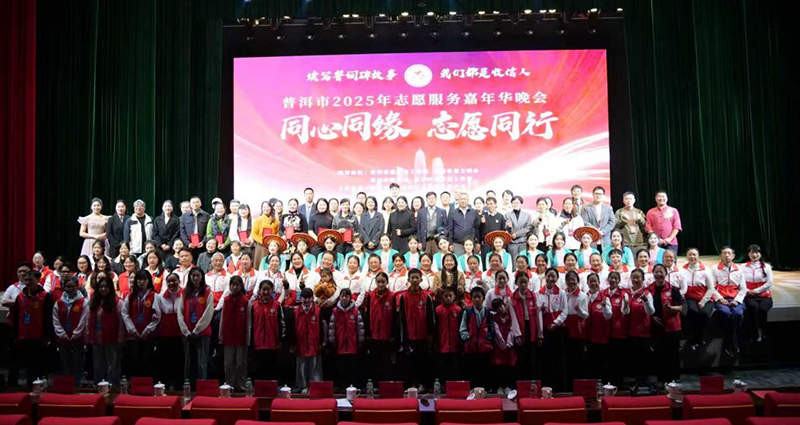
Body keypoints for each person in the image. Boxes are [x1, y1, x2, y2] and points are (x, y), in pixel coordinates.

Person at [10, 270, 54, 385]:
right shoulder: (20, 297)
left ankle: (35, 387)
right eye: (26, 280)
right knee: (18, 363)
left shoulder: (45, 297)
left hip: (38, 336)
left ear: (38, 280)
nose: (28, 282)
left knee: (36, 367)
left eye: (31, 280)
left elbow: (49, 318)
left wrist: (47, 336)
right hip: (22, 335)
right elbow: (15, 317)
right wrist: (15, 335)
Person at [398, 269, 435, 390]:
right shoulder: (403, 297)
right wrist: (403, 338)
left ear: (421, 280)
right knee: (410, 361)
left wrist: (430, 335)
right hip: (409, 336)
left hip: (423, 336)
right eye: (412, 278)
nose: (414, 280)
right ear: (408, 280)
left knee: (423, 361)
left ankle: (423, 384)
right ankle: (412, 385)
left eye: (416, 278)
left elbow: (431, 317)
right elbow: (401, 318)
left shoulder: (427, 296)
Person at [122, 269, 161, 377]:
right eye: (139, 280)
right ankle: (134, 383)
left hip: (148, 335)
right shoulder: (131, 296)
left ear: (148, 281)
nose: (141, 282)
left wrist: (147, 331)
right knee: (134, 361)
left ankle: (146, 383)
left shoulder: (154, 296)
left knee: (147, 360)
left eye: (144, 279)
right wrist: (133, 330)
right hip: (133, 335)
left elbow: (157, 315)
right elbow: (125, 314)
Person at [178, 267, 214, 380]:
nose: (195, 278)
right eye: (193, 276)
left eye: (198, 275)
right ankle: (189, 386)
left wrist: (197, 330)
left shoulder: (207, 292)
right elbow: (180, 312)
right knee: (188, 362)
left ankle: (202, 386)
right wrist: (186, 331)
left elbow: (208, 313)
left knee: (202, 363)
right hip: (187, 333)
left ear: (202, 277)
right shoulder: (185, 293)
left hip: (203, 332)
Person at [675, 247, 715, 350]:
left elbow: (711, 288)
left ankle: (699, 337)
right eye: (690, 254)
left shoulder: (706, 270)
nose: (692, 257)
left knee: (704, 314)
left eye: (694, 255)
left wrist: (703, 301)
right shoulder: (681, 270)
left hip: (705, 298)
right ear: (686, 256)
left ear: (698, 256)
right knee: (693, 312)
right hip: (690, 298)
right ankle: (694, 338)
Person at [649, 264, 683, 383]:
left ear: (666, 274)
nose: (658, 274)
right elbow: (646, 308)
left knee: (672, 354)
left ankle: (674, 379)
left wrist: (671, 308)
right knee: (659, 353)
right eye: (656, 272)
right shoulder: (649, 290)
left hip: (672, 327)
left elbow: (681, 307)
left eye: (661, 272)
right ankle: (661, 380)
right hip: (656, 327)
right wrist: (652, 317)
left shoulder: (673, 289)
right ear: (653, 273)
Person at [247, 278, 285, 381]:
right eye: (264, 289)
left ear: (272, 291)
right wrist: (250, 342)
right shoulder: (254, 306)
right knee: (258, 372)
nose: (266, 292)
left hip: (272, 344)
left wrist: (280, 340)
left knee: (271, 371)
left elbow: (281, 324)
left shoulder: (277, 305)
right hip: (258, 344)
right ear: (259, 291)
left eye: (268, 290)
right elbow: (250, 325)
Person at [361, 271, 396, 382]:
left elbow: (395, 317)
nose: (381, 284)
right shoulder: (370, 296)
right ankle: (375, 384)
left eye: (383, 282)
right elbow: (367, 315)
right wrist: (368, 333)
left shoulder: (392, 296)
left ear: (387, 282)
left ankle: (387, 384)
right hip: (374, 334)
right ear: (375, 282)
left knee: (386, 361)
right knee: (375, 361)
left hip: (387, 335)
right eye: (378, 282)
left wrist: (393, 334)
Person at [711, 247, 747, 356]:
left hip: (735, 298)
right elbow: (711, 287)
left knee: (738, 314)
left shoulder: (739, 269)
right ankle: (729, 342)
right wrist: (720, 298)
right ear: (721, 256)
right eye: (724, 253)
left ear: (733, 256)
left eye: (729, 253)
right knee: (725, 313)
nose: (726, 255)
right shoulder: (714, 268)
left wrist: (737, 300)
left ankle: (731, 341)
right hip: (721, 297)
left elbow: (743, 288)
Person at [538, 267, 569, 391]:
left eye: (553, 276)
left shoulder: (561, 293)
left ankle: (559, 388)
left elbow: (565, 310)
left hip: (558, 330)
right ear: (545, 277)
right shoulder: (539, 293)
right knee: (546, 359)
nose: (550, 279)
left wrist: (556, 323)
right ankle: (546, 386)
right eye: (548, 276)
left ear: (557, 278)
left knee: (558, 358)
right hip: (545, 332)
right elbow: (537, 313)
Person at [53, 277, 89, 382]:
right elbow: (55, 320)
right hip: (63, 339)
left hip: (78, 338)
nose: (70, 289)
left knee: (77, 363)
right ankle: (67, 385)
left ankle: (77, 384)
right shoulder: (58, 303)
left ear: (77, 287)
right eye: (67, 286)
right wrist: (62, 334)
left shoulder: (83, 302)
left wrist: (76, 334)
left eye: (73, 286)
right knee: (65, 364)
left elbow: (84, 319)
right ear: (64, 288)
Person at [89, 276, 124, 385]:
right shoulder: (94, 301)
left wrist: (120, 337)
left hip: (112, 338)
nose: (103, 289)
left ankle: (113, 386)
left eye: (106, 286)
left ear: (110, 288)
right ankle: (98, 385)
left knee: (112, 364)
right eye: (101, 287)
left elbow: (121, 321)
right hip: (96, 337)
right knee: (98, 364)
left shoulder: (117, 302)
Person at [327, 288, 365, 389]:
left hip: (352, 344)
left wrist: (360, 340)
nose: (344, 298)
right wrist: (332, 340)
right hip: (340, 344)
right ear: (339, 297)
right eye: (342, 296)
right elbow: (331, 327)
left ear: (350, 297)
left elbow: (360, 327)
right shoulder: (335, 311)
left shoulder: (355, 311)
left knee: (353, 367)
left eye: (346, 296)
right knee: (341, 367)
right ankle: (341, 386)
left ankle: (353, 386)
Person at [460, 286, 494, 388]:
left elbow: (492, 329)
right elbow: (463, 328)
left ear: (483, 298)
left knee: (484, 369)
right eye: (474, 297)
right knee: (472, 369)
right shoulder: (467, 312)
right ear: (471, 299)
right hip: (471, 347)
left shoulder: (488, 312)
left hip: (485, 347)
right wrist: (468, 338)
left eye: (479, 297)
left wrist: (487, 339)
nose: (477, 299)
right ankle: (473, 389)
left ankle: (485, 388)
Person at [624, 269, 654, 384]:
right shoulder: (626, 293)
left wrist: (646, 302)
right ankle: (632, 381)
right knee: (632, 357)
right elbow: (624, 312)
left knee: (643, 357)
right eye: (634, 277)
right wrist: (625, 305)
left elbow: (651, 312)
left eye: (638, 277)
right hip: (629, 330)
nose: (636, 280)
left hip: (643, 331)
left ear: (643, 279)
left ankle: (643, 381)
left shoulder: (647, 294)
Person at [293, 287, 325, 394]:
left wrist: (322, 343)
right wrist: (294, 344)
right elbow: (292, 328)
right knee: (301, 366)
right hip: (301, 344)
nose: (307, 300)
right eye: (304, 298)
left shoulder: (318, 311)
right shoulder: (296, 312)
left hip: (314, 344)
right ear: (301, 298)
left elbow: (322, 328)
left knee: (315, 366)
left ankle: (315, 386)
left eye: (309, 298)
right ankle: (303, 386)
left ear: (312, 298)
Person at [156, 273, 184, 389]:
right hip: (165, 334)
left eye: (174, 281)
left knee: (179, 360)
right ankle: (166, 385)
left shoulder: (184, 295)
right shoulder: (160, 297)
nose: (172, 283)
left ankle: (178, 385)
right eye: (169, 281)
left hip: (180, 333)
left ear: (179, 281)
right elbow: (158, 315)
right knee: (166, 361)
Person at [584, 272, 612, 383]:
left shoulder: (604, 299)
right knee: (590, 364)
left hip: (601, 337)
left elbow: (609, 316)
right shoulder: (584, 297)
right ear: (587, 283)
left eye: (595, 281)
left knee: (602, 364)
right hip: (587, 337)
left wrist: (605, 307)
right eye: (591, 281)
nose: (593, 283)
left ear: (599, 283)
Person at [562, 270, 588, 386]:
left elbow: (586, 315)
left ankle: (578, 385)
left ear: (577, 281)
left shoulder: (582, 295)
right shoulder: (563, 293)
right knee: (566, 358)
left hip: (577, 330)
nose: (571, 282)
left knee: (577, 358)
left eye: (573, 280)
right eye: (569, 280)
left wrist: (579, 310)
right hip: (565, 328)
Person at [742, 244, 773, 342]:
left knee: (763, 309)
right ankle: (754, 332)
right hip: (749, 295)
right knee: (753, 308)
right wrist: (747, 291)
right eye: (752, 252)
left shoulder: (767, 267)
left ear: (760, 254)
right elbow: (740, 282)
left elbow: (769, 283)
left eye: (757, 252)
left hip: (764, 295)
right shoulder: (743, 267)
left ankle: (763, 330)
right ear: (748, 254)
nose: (754, 255)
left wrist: (756, 291)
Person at [491, 296, 520, 393]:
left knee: (509, 367)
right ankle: (500, 386)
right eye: (497, 307)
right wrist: (503, 345)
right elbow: (497, 333)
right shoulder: (494, 319)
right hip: (499, 347)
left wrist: (509, 343)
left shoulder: (510, 317)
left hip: (510, 346)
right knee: (500, 367)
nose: (500, 309)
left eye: (501, 306)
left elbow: (512, 330)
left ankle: (509, 386)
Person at [434, 286, 463, 382]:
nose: (448, 298)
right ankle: (443, 385)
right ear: (442, 296)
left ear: (454, 296)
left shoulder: (458, 310)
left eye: (450, 296)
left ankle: (454, 386)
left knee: (455, 367)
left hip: (455, 345)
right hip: (442, 345)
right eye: (446, 296)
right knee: (443, 368)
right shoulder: (438, 310)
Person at [645, 190, 682, 255]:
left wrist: (669, 238)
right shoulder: (650, 212)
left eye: (663, 196)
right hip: (655, 243)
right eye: (659, 196)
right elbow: (648, 227)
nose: (661, 198)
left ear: (667, 198)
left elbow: (677, 227)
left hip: (671, 242)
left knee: (671, 259)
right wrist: (657, 239)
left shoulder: (673, 210)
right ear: (655, 199)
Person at [502, 196, 531, 260]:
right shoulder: (507, 215)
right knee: (513, 261)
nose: (515, 204)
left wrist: (516, 234)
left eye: (517, 203)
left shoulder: (527, 215)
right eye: (513, 203)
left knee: (523, 260)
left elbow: (528, 228)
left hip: (523, 241)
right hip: (512, 242)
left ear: (521, 204)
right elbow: (506, 228)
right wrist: (509, 228)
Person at [252, 201, 280, 268]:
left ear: (271, 208)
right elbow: (254, 233)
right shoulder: (258, 220)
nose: (266, 208)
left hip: (273, 246)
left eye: (268, 207)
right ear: (262, 208)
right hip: (261, 246)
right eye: (264, 207)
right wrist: (262, 241)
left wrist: (274, 242)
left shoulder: (276, 220)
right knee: (261, 265)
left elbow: (278, 232)